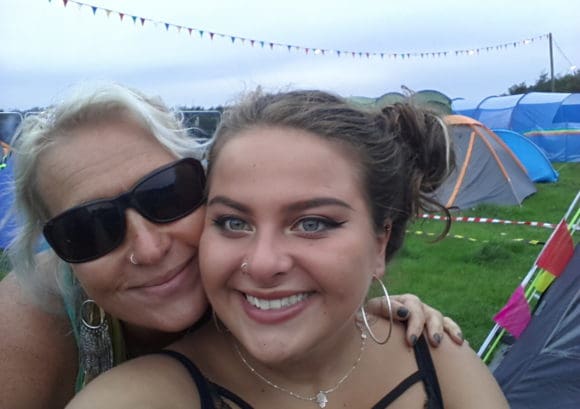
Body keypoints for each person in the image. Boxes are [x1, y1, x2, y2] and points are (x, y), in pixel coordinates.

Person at [0, 83, 463, 409]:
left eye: (165, 195)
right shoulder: (24, 327)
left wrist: (359, 312)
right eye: (90, 228)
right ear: (60, 250)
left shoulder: (436, 362)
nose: (149, 248)